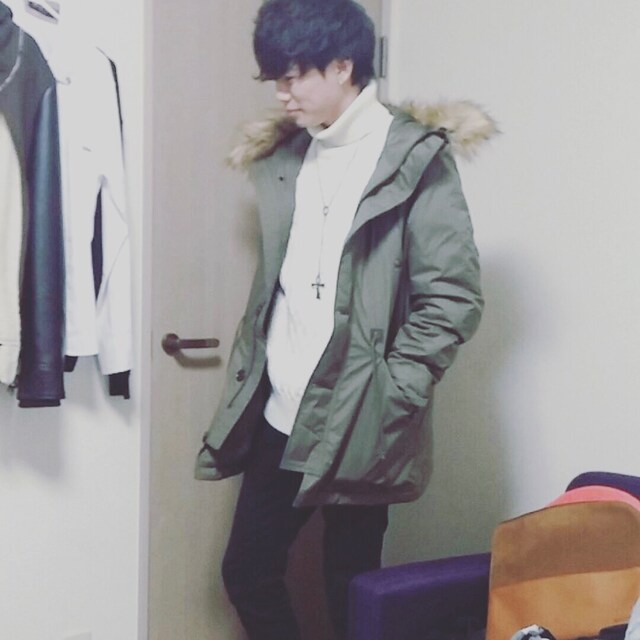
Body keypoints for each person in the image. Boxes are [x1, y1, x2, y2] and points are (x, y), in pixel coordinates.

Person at [195, 0, 494, 637]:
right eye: (274, 78)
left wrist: (396, 389)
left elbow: (452, 295)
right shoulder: (286, 156)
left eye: (293, 76)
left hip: (365, 411)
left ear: (342, 66)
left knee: (351, 584)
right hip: (281, 408)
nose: (281, 94)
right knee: (247, 570)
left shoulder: (415, 158)